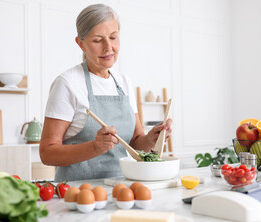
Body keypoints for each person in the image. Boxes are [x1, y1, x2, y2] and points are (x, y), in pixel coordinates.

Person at [40, 3, 172, 182]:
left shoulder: (124, 82)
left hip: (121, 186)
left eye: (113, 37)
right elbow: (47, 152)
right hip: (76, 192)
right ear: (81, 43)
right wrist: (95, 147)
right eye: (97, 40)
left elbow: (135, 142)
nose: (108, 47)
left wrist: (151, 138)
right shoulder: (68, 83)